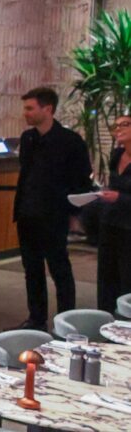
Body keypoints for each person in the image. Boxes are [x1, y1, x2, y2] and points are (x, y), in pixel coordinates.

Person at [10, 87, 92, 331]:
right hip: (27, 214)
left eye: (30, 108)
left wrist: (73, 214)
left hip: (54, 215)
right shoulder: (28, 138)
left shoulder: (70, 141)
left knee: (59, 269)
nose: (25, 113)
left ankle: (66, 321)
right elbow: (26, 175)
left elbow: (81, 181)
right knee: (32, 269)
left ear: (47, 109)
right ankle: (36, 318)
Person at [87, 114, 131, 314]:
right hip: (110, 223)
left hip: (128, 226)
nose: (118, 129)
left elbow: (120, 194)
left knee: (126, 278)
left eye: (125, 124)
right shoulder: (117, 154)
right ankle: (106, 319)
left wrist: (119, 198)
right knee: (107, 276)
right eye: (116, 125)